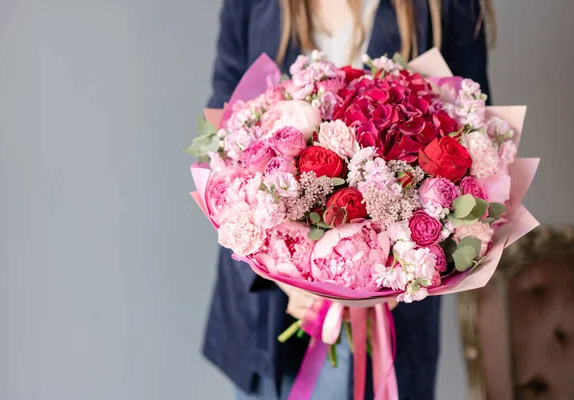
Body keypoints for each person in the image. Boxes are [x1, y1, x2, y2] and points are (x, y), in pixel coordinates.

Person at [203, 0, 495, 399]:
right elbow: (223, 139)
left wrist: (400, 274)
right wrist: (282, 272)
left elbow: (474, 149)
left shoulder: (447, 8)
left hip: (393, 316)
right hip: (268, 314)